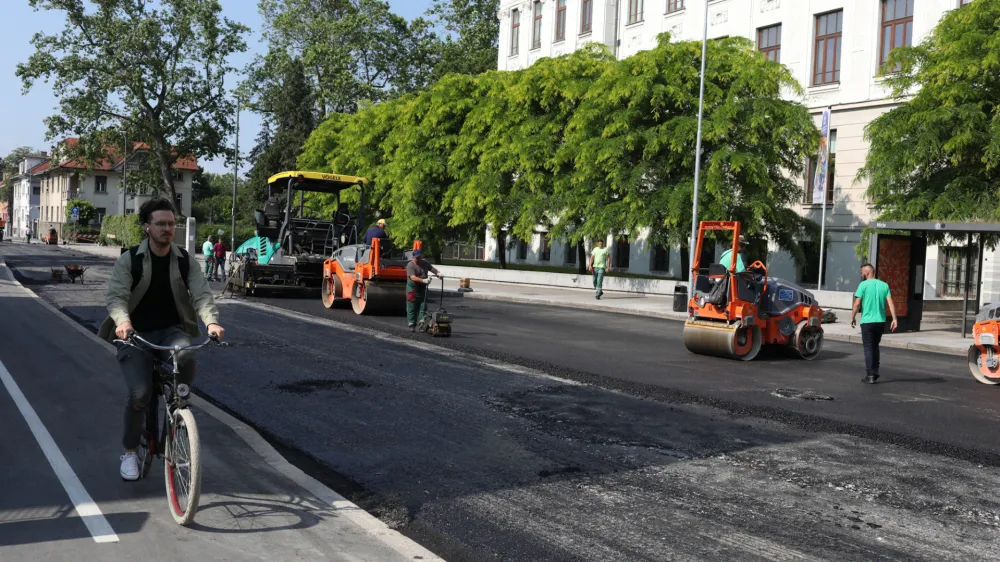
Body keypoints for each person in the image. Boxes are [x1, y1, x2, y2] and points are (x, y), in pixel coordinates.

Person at [97, 196, 225, 481]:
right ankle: (130, 452)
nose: (168, 229)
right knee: (140, 395)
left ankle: (180, 407)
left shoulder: (183, 260)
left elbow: (202, 294)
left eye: (171, 224)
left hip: (171, 331)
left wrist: (212, 322)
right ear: (147, 227)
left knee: (188, 354)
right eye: (161, 224)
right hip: (135, 334)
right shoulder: (130, 259)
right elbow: (116, 297)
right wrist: (123, 321)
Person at [851, 263, 898, 384]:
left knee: (868, 348)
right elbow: (891, 303)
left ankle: (870, 375)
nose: (861, 274)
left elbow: (857, 304)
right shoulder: (884, 285)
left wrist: (853, 317)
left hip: (867, 321)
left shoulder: (863, 285)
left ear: (866, 273)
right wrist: (894, 319)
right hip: (880, 321)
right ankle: (875, 371)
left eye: (862, 272)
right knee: (875, 346)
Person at [406, 249, 442, 331]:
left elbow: (432, 268)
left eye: (420, 257)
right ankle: (412, 324)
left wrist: (438, 273)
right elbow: (412, 277)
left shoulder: (424, 263)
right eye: (417, 258)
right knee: (412, 306)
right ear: (413, 257)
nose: (419, 259)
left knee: (423, 306)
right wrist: (423, 280)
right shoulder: (410, 266)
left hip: (422, 288)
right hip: (413, 289)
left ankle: (422, 323)